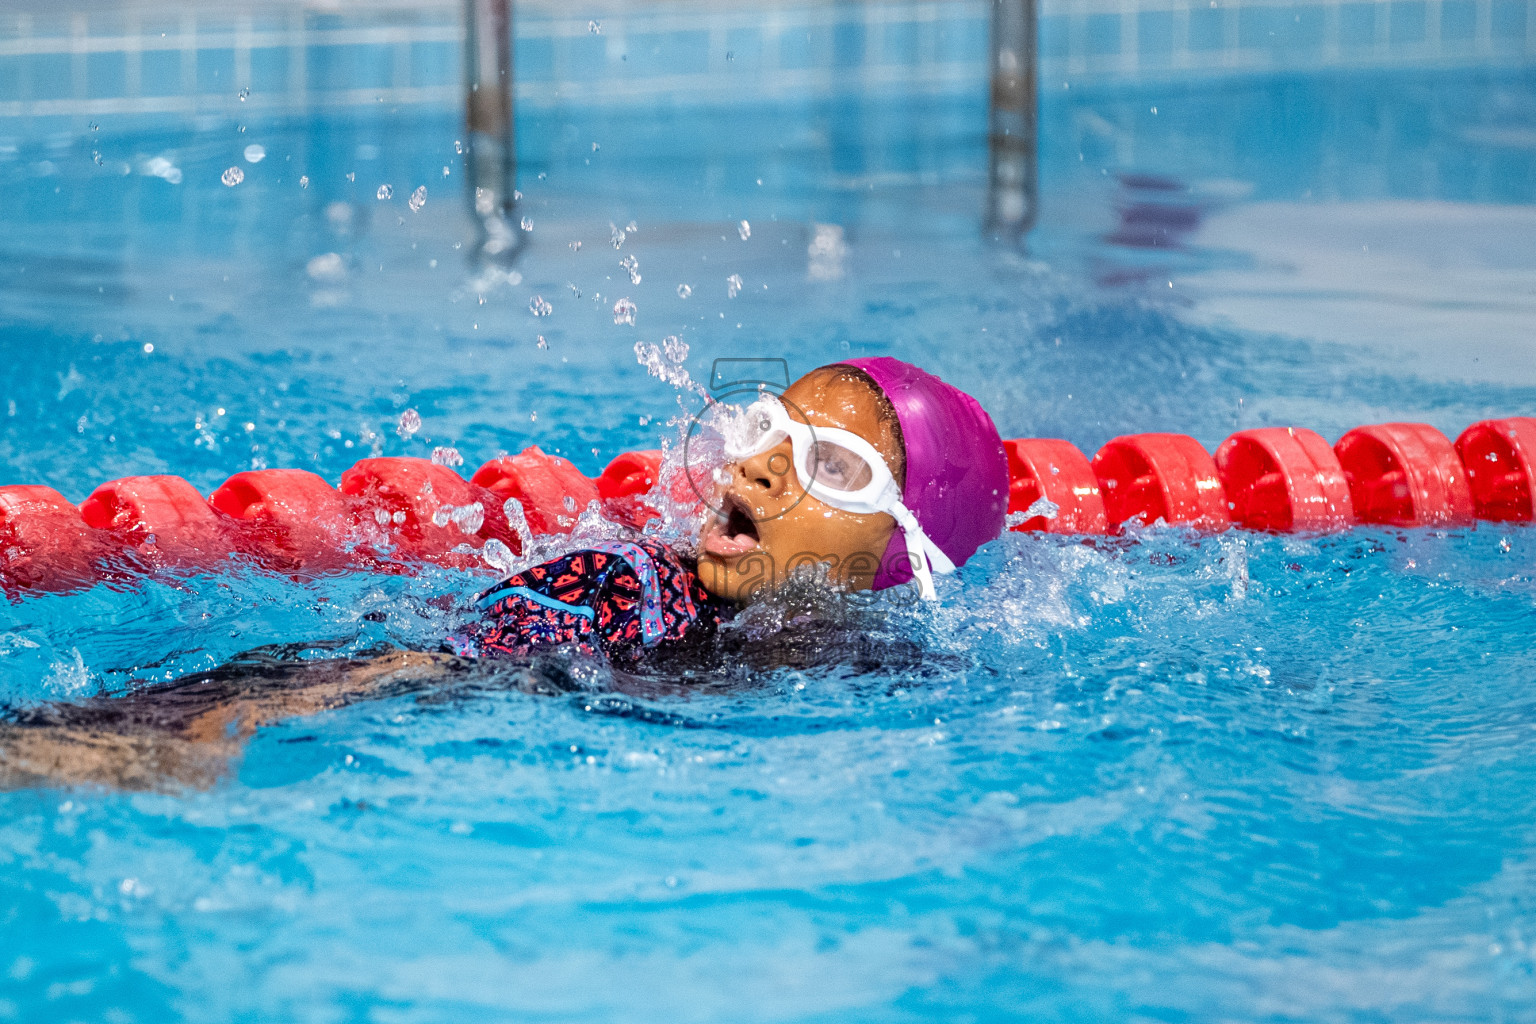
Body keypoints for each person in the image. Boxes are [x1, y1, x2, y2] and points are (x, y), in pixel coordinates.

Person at [0, 358, 1007, 790]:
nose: (751, 464)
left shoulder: (893, 668)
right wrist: (238, 721)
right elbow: (428, 664)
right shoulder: (624, 582)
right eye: (767, 429)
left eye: (830, 466)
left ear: (900, 553)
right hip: (331, 686)